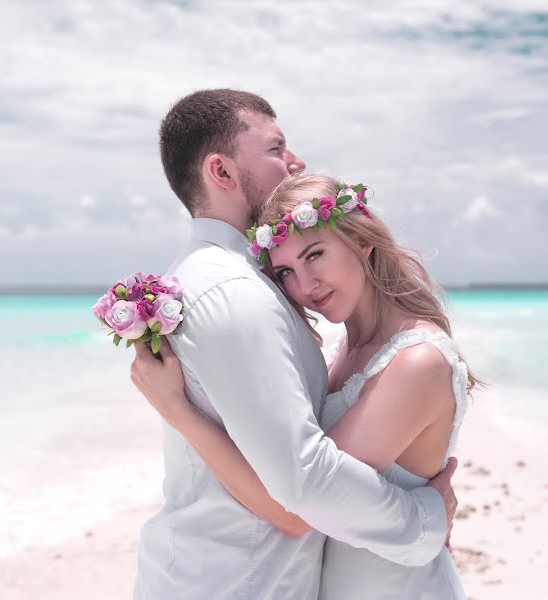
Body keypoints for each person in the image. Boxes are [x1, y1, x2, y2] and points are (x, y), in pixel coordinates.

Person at [129, 89, 460, 599]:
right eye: (276, 148)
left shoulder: (238, 282)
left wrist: (178, 410)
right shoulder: (235, 292)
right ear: (222, 172)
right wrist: (428, 518)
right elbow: (297, 498)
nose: (295, 161)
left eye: (314, 255)